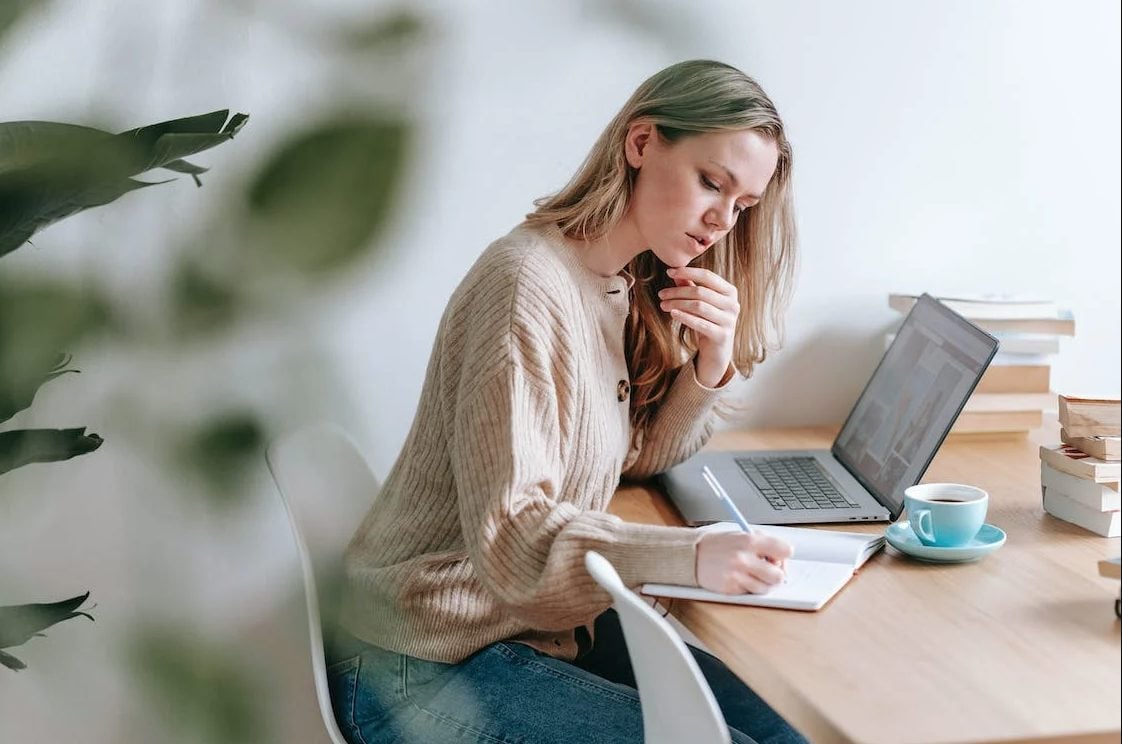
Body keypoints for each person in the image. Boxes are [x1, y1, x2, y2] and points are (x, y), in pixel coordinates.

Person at [329, 59, 804, 743]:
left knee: (787, 735)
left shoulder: (611, 285)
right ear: (640, 143)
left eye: (741, 205)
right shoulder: (525, 284)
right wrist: (691, 556)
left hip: (528, 631)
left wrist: (711, 364)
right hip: (415, 663)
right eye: (711, 182)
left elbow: (634, 461)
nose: (720, 221)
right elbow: (514, 537)